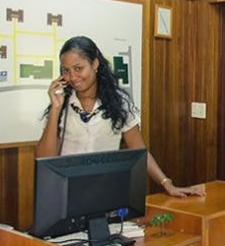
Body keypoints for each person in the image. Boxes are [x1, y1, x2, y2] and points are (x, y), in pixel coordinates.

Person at [36, 36, 204, 198]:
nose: (73, 77)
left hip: (105, 191)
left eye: (79, 68)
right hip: (66, 191)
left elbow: (139, 151)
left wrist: (167, 184)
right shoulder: (62, 104)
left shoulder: (119, 103)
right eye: (66, 70)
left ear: (95, 63)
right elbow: (44, 158)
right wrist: (55, 110)